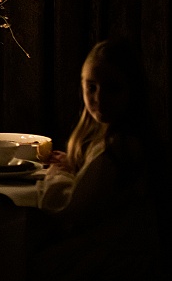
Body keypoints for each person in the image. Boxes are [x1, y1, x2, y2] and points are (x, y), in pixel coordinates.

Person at [31, 38, 162, 279]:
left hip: (114, 259)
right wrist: (78, 169)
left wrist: (60, 173)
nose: (99, 99)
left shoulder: (118, 148)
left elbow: (67, 208)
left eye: (113, 89)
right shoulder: (113, 139)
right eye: (91, 87)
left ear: (133, 90)